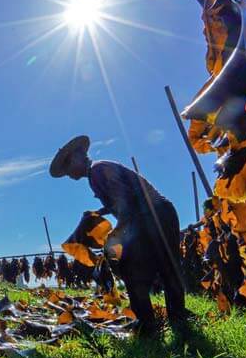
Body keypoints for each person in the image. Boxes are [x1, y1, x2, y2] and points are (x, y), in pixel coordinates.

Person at [50, 135, 188, 333]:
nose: (68, 175)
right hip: (154, 214)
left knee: (139, 269)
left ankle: (152, 324)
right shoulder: (96, 173)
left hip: (153, 214)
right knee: (166, 269)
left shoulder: (98, 170)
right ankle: (173, 320)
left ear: (77, 158)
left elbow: (125, 203)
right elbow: (120, 201)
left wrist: (115, 235)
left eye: (67, 168)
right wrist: (100, 213)